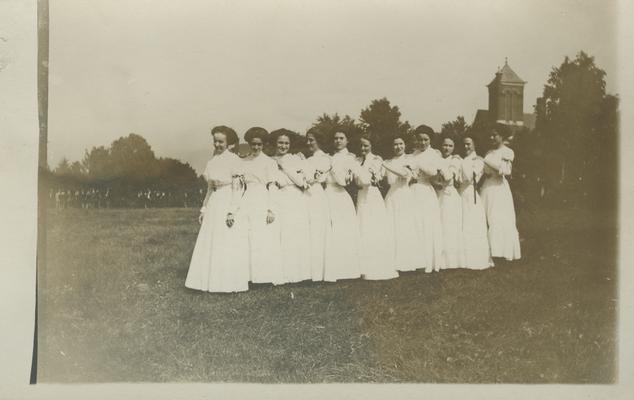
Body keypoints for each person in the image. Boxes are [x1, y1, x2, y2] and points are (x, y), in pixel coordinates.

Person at [185, 125, 250, 293]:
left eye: (221, 141)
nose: (218, 144)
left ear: (228, 143)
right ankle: (207, 282)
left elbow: (239, 188)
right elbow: (210, 188)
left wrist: (232, 211)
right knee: (211, 240)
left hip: (228, 200)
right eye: (215, 141)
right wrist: (204, 208)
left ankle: (228, 283)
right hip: (215, 202)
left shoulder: (234, 160)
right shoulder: (211, 162)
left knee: (227, 240)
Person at [241, 127, 285, 285]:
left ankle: (263, 276)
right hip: (246, 199)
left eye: (259, 144)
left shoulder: (269, 162)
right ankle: (248, 276)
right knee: (246, 236)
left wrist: (271, 208)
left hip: (262, 199)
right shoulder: (243, 161)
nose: (256, 147)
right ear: (249, 143)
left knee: (262, 237)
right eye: (253, 144)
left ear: (264, 145)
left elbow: (272, 186)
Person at [270, 128, 312, 283]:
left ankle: (298, 273)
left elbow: (301, 181)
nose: (283, 146)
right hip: (279, 196)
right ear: (275, 143)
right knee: (280, 233)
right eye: (280, 142)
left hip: (295, 197)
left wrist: (284, 166)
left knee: (295, 233)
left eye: (286, 143)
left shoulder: (295, 159)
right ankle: (281, 273)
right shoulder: (270, 160)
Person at [355, 134, 399, 280]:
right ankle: (362, 266)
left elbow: (375, 178)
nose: (363, 148)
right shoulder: (356, 160)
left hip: (373, 195)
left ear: (371, 145)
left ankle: (377, 265)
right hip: (361, 195)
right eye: (361, 145)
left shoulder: (377, 159)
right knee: (362, 227)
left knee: (374, 228)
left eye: (366, 145)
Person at [323, 131, 361, 281]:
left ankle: (346, 269)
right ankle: (332, 269)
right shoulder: (330, 157)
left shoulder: (350, 158)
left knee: (343, 231)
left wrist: (331, 166)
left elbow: (344, 181)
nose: (338, 141)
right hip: (327, 194)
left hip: (340, 196)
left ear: (347, 140)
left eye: (341, 138)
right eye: (335, 138)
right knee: (330, 230)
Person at [481, 125, 521, 261]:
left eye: (495, 135)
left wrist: (485, 161)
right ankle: (488, 252)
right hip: (487, 187)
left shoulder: (507, 152)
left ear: (502, 136)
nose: (491, 138)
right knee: (485, 217)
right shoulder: (489, 152)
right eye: (490, 135)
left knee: (498, 218)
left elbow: (505, 171)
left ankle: (501, 251)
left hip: (499, 189)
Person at [382, 134, 421, 272]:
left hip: (405, 195)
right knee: (391, 227)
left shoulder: (410, 159)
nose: (398, 147)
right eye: (395, 144)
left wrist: (385, 165)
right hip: (392, 195)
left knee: (405, 227)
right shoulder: (389, 161)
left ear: (405, 145)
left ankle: (407, 261)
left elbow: (405, 175)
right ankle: (392, 260)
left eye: (401, 144)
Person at [409, 125, 444, 272]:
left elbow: (433, 172)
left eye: (425, 140)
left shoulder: (434, 154)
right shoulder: (413, 154)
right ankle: (415, 260)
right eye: (420, 139)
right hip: (412, 190)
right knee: (414, 224)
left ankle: (428, 262)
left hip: (425, 191)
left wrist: (417, 165)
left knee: (427, 224)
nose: (422, 143)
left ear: (430, 140)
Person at [458, 136, 493, 269]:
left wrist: (460, 162)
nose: (465, 147)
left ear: (474, 145)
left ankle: (474, 258)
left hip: (470, 195)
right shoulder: (464, 159)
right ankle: (461, 258)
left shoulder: (478, 161)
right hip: (460, 194)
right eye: (464, 144)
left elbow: (469, 177)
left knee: (471, 225)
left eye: (468, 144)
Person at [303, 127, 331, 281]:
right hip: (307, 195)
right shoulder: (307, 159)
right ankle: (310, 272)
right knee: (309, 231)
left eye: (311, 140)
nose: (308, 143)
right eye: (307, 140)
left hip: (317, 194)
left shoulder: (325, 158)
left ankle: (320, 272)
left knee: (318, 231)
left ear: (319, 141)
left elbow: (318, 178)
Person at [435, 135, 465, 269]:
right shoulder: (438, 159)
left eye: (450, 146)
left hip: (449, 195)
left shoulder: (456, 160)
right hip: (438, 194)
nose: (447, 148)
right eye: (444, 145)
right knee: (438, 225)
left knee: (449, 226)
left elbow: (448, 177)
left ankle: (451, 260)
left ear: (454, 148)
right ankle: (438, 259)